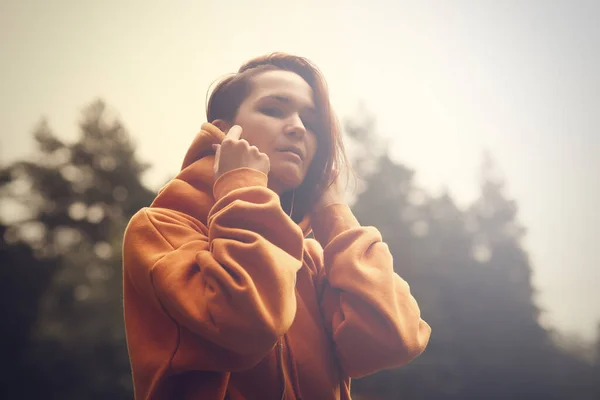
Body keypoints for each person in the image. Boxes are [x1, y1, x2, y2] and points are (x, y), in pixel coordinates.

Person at [122, 52, 431, 400]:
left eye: (311, 123)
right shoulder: (160, 227)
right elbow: (247, 323)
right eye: (273, 110)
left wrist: (334, 215)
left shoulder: (312, 260)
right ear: (225, 132)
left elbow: (392, 341)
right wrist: (243, 183)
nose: (298, 127)